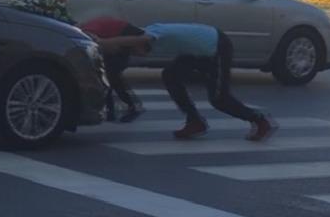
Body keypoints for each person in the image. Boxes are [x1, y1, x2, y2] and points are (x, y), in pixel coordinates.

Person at [101, 23, 277, 141]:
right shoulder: (147, 33)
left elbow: (140, 40)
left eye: (133, 52)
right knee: (170, 75)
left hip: (216, 46)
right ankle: (195, 121)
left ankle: (260, 120)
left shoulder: (150, 34)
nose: (137, 56)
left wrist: (103, 41)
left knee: (219, 99)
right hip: (195, 51)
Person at [79, 17, 145, 123]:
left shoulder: (87, 30)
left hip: (126, 34)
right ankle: (113, 110)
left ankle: (130, 106)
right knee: (108, 77)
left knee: (111, 76)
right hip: (125, 33)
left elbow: (99, 42)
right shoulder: (90, 26)